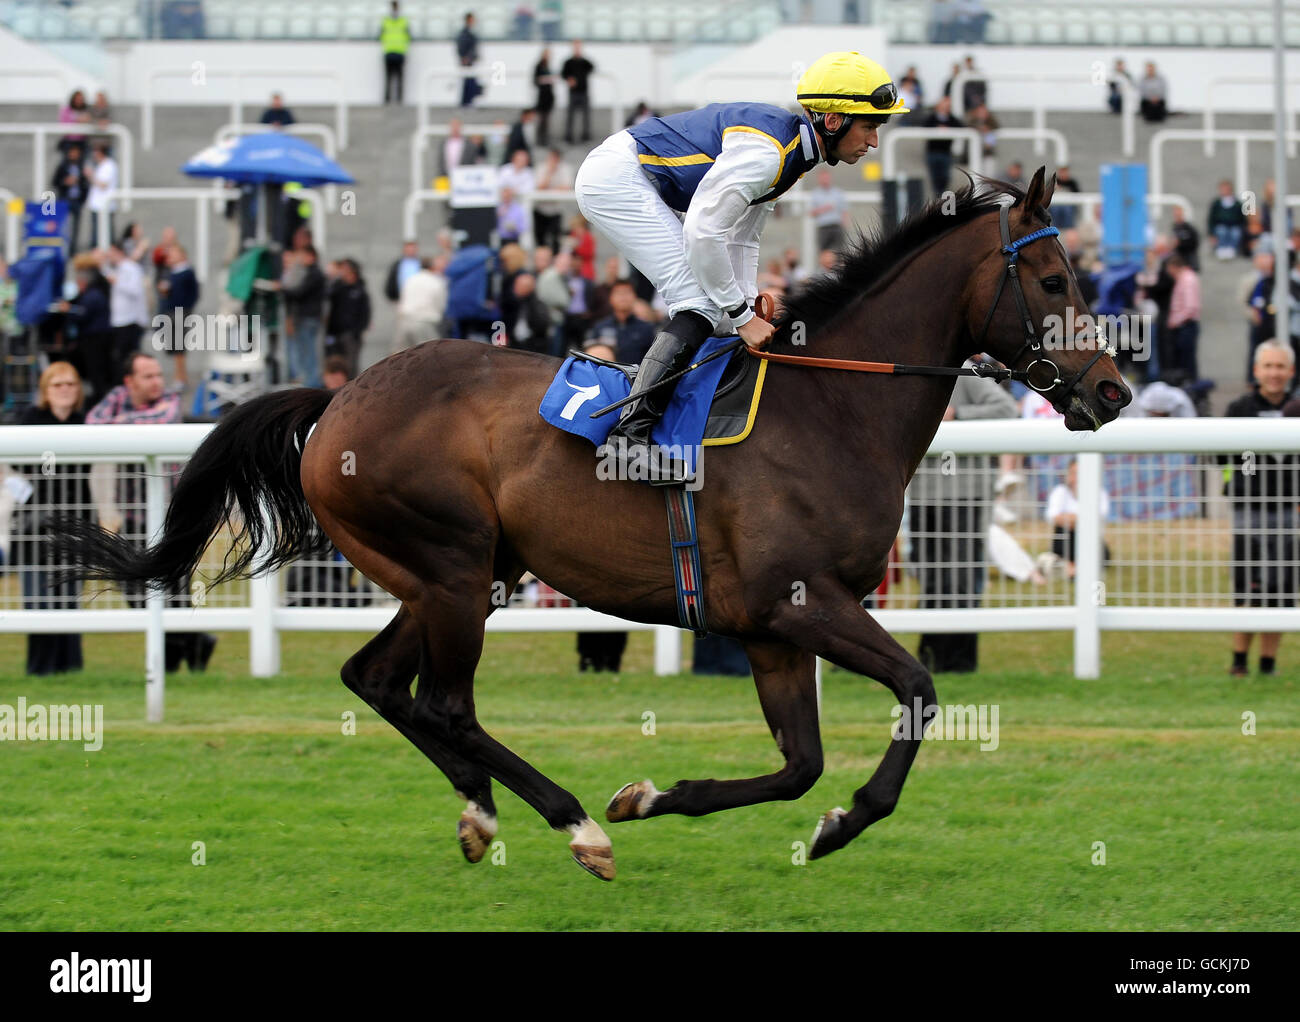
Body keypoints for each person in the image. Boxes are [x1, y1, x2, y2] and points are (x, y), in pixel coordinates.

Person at [574, 50, 906, 483]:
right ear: (832, 120)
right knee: (700, 302)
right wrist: (741, 315)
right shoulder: (769, 153)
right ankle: (629, 437)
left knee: (720, 313)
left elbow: (742, 238)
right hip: (615, 180)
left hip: (632, 177)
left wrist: (748, 309)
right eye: (869, 126)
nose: (874, 142)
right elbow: (704, 233)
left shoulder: (793, 156)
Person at [86, 352, 216, 671]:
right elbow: (91, 427)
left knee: (176, 589)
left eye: (158, 374)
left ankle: (173, 656)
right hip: (130, 518)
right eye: (148, 376)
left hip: (171, 518)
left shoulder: (170, 401)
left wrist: (116, 428)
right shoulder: (115, 398)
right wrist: (122, 428)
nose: (157, 382)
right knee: (133, 584)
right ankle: (191, 644)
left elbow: (155, 424)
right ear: (129, 382)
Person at [908, 366, 1017, 672]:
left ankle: (959, 659)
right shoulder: (914, 370)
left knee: (961, 576)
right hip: (922, 491)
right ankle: (932, 656)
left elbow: (1007, 409)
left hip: (965, 492)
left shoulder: (967, 373)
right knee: (929, 575)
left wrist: (958, 415)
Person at [12, 363, 92, 675]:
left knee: (69, 596)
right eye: (57, 384)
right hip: (36, 523)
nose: (65, 390)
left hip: (76, 520)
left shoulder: (83, 422)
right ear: (45, 390)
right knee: (38, 596)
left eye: (71, 384)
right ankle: (41, 668)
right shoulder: (31, 420)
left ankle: (69, 667)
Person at [1223, 341, 1297, 677]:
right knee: (1247, 587)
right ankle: (1239, 661)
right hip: (1248, 511)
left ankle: (1268, 665)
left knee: (1280, 590)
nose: (1274, 373)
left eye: (1280, 366)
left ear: (1291, 372)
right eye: (1268, 366)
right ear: (1256, 371)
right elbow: (1220, 457)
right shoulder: (1238, 409)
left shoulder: (1297, 410)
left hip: (1288, 512)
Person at [58, 252, 113, 402]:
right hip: (96, 336)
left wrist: (68, 311)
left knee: (97, 372)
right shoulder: (96, 289)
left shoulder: (94, 294)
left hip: (95, 338)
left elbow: (83, 315)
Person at [1045, 459, 1111, 579]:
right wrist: (1079, 519)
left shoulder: (1099, 493)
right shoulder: (1060, 492)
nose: (1076, 478)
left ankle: (1069, 568)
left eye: (1080, 473)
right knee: (1063, 531)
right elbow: (1053, 517)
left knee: (1099, 548)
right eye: (1073, 473)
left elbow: (1097, 518)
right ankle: (1073, 567)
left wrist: (1069, 518)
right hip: (1066, 539)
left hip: (1091, 539)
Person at [103, 238, 150, 379]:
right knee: (120, 357)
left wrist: (117, 282)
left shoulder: (131, 268)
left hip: (130, 321)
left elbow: (135, 291)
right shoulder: (118, 269)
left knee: (129, 359)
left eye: (111, 252)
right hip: (120, 321)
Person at [281, 246, 325, 386]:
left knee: (308, 353)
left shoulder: (314, 274)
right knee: (307, 352)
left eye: (304, 256)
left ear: (312, 256)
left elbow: (300, 292)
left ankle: (311, 384)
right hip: (309, 317)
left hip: (307, 318)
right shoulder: (313, 273)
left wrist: (282, 289)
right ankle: (310, 382)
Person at [158, 244, 199, 388]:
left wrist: (186, 307)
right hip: (171, 312)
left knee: (179, 347)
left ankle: (181, 378)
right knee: (175, 347)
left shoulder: (186, 272)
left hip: (180, 312)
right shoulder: (171, 272)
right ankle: (180, 376)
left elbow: (193, 293)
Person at [587, 279, 654, 364]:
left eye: (627, 292)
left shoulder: (646, 328)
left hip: (636, 376)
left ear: (635, 297)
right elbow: (590, 355)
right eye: (618, 293)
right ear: (610, 298)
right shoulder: (600, 327)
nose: (623, 297)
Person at [325, 258, 370, 378]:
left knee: (351, 364)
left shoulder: (360, 291)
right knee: (335, 362)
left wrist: (357, 331)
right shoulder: (338, 287)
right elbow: (328, 295)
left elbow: (365, 313)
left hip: (351, 334)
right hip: (335, 333)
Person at [396, 257, 448, 350]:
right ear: (433, 267)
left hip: (405, 322)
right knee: (428, 357)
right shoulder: (436, 282)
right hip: (425, 323)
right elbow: (442, 305)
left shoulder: (411, 279)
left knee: (405, 358)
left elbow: (403, 299)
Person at [1164, 253, 1201, 382]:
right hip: (1184, 325)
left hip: (1186, 325)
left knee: (1187, 358)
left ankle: (1190, 384)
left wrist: (1174, 320)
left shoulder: (1187, 280)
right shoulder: (1184, 279)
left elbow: (1190, 307)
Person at [51, 141, 90, 255]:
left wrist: (81, 186)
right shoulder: (63, 166)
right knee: (63, 225)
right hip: (65, 200)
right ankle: (62, 247)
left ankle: (72, 249)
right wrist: (65, 182)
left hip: (77, 200)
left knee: (76, 227)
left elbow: (86, 184)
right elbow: (55, 181)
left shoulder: (82, 167)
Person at [921, 95, 963, 199]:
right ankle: (937, 196)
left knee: (945, 176)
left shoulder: (953, 119)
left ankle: (941, 195)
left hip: (946, 153)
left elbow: (962, 128)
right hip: (932, 152)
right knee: (934, 176)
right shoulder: (931, 118)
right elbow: (924, 128)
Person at [532, 148, 573, 251]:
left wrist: (549, 189)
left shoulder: (565, 169)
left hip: (556, 210)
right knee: (540, 238)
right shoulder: (541, 168)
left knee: (556, 240)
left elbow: (567, 188)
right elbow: (539, 187)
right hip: (540, 209)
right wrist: (549, 173)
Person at [85, 142, 118, 249]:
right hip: (98, 206)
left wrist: (91, 175)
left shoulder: (109, 165)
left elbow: (103, 184)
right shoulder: (101, 165)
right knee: (97, 233)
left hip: (104, 206)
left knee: (104, 234)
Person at [561, 40, 595, 144]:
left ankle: (585, 135)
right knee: (570, 115)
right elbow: (563, 74)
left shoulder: (584, 62)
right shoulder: (568, 62)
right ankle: (569, 136)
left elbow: (592, 67)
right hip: (573, 93)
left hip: (583, 92)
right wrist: (569, 79)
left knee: (586, 115)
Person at [809, 169, 849, 253]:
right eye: (823, 178)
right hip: (823, 228)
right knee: (823, 252)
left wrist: (845, 226)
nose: (825, 180)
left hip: (837, 227)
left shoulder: (838, 193)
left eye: (826, 177)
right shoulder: (815, 194)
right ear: (819, 179)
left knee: (840, 252)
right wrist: (824, 208)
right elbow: (811, 213)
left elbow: (844, 211)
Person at [380, 1, 411, 105]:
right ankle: (387, 100)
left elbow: (408, 36)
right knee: (388, 78)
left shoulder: (403, 21)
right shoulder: (386, 21)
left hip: (399, 52)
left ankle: (399, 100)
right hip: (389, 52)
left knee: (399, 78)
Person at [1208, 180, 1245, 259]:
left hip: (1234, 226)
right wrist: (1211, 234)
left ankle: (1232, 249)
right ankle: (1221, 248)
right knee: (1222, 230)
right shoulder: (1216, 204)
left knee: (1236, 232)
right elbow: (1211, 219)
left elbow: (1242, 219)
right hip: (1221, 227)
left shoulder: (1237, 204)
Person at [383, 240, 422, 305]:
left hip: (418, 299)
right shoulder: (397, 264)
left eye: (413, 249)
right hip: (401, 299)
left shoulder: (421, 264)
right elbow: (391, 281)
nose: (411, 251)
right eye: (408, 249)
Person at [457, 13, 482, 108]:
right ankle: (465, 102)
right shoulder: (465, 33)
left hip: (470, 60)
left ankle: (467, 102)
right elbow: (462, 47)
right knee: (468, 81)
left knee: (469, 81)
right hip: (467, 61)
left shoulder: (469, 32)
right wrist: (464, 57)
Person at [533, 48, 557, 146]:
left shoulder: (548, 66)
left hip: (548, 97)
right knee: (541, 119)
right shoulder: (539, 66)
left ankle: (544, 138)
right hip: (542, 97)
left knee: (546, 120)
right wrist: (546, 79)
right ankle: (540, 139)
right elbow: (535, 80)